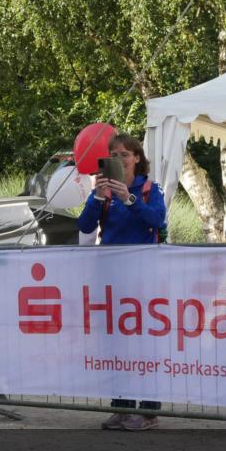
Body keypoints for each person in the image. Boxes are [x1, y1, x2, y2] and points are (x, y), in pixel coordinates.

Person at [78, 133, 167, 431]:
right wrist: (98, 198)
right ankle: (122, 405)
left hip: (143, 280)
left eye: (125, 154)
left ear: (137, 158)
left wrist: (128, 200)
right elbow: (85, 226)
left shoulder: (148, 189)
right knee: (115, 343)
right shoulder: (102, 191)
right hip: (111, 279)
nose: (119, 160)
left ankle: (149, 410)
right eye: (114, 155)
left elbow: (157, 220)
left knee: (144, 344)